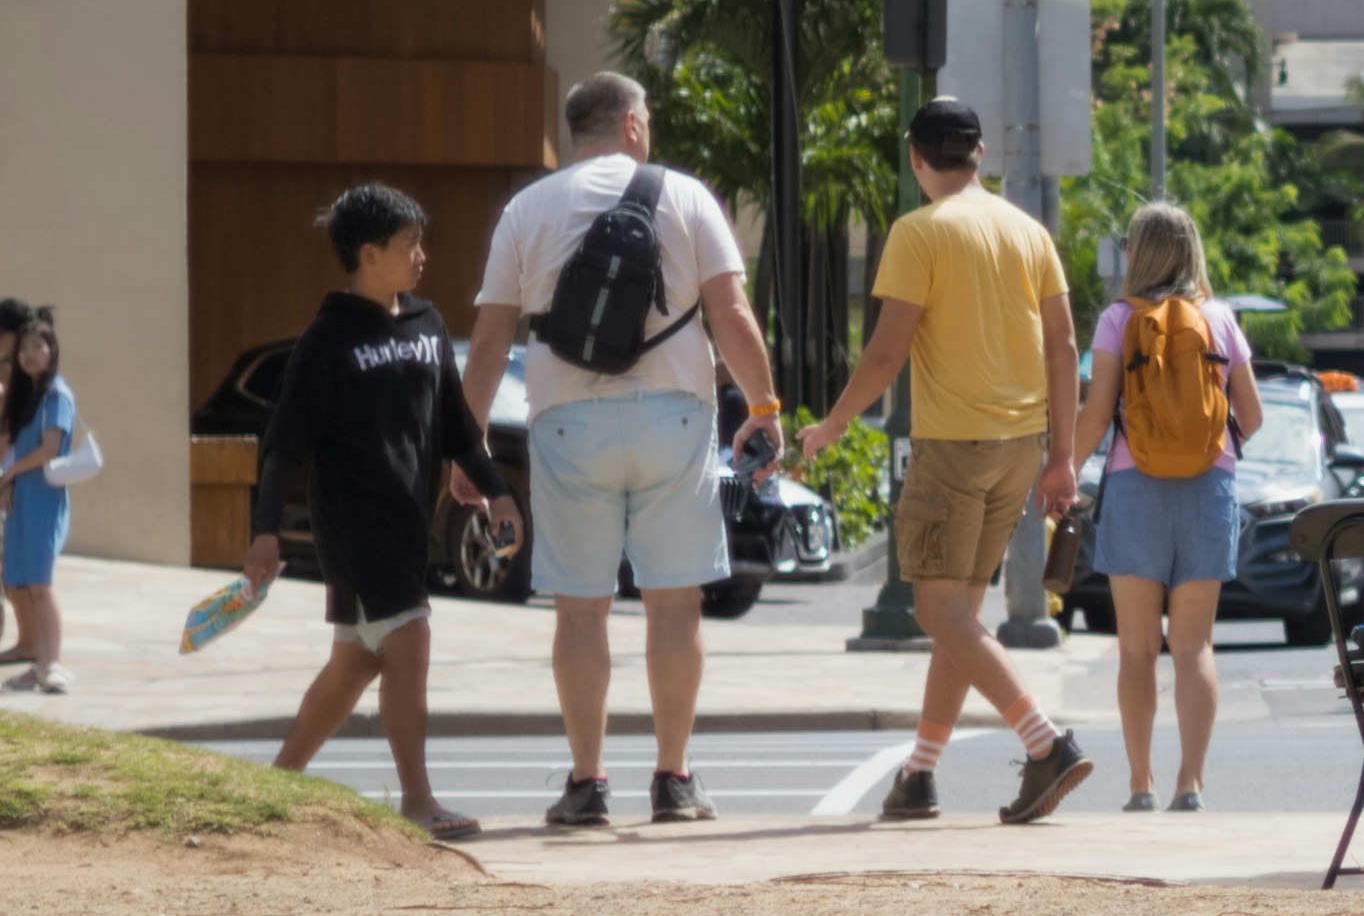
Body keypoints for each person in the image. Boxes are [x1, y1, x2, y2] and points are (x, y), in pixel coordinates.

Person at [462, 75, 783, 826]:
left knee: (581, 612)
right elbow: (731, 313)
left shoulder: (526, 209)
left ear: (576, 132)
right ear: (634, 124)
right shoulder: (684, 196)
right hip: (674, 415)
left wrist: (468, 446)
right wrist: (762, 408)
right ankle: (673, 780)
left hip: (567, 421)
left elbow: (487, 341)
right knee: (675, 606)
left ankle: (586, 785)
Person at [802, 98, 1092, 824]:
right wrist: (1062, 456)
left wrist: (835, 424)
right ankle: (919, 774)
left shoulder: (917, 232)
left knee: (935, 607)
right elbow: (1063, 346)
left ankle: (1043, 742)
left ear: (916, 159)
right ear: (981, 152)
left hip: (952, 445)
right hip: (1021, 447)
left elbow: (888, 350)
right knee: (960, 614)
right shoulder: (1028, 231)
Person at [246, 186, 522, 840]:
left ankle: (276, 782)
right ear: (370, 254)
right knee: (409, 641)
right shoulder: (327, 339)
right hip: (354, 528)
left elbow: (457, 428)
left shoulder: (425, 326)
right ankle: (418, 800)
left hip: (405, 528)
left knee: (355, 663)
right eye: (409, 245)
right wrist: (263, 535)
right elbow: (282, 445)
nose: (422, 256)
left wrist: (497, 491)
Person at [1069, 201, 1263, 813]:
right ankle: (1191, 783)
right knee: (1193, 647)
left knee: (1135, 649)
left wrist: (1065, 473)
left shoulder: (1117, 320)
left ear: (1139, 252)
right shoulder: (1221, 320)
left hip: (1134, 488)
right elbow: (1252, 417)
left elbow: (1097, 412)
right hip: (1209, 491)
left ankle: (1139, 782)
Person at [1, 306, 77, 693]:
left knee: (41, 585)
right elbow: (16, 446)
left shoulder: (56, 395)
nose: (30, 354)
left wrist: (10, 474)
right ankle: (40, 664)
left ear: (52, 351)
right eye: (24, 348)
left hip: (44, 499)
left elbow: (49, 448)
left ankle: (54, 665)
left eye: (38, 346)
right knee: (25, 584)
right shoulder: (27, 398)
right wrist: (9, 484)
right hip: (22, 499)